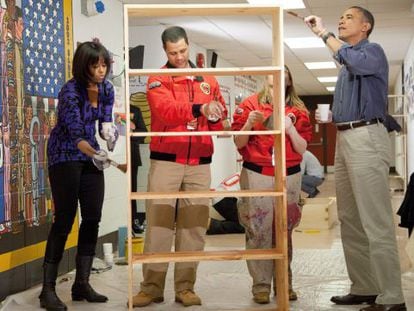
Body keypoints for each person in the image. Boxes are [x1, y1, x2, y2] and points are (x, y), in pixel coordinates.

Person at [304, 6, 406, 311]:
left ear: (366, 26)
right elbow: (346, 64)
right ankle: (365, 286)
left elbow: (349, 57)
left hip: (367, 138)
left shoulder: (371, 52)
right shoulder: (347, 65)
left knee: (376, 220)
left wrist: (324, 33)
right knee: (349, 218)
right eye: (341, 17)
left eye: (349, 17)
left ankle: (393, 297)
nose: (342, 19)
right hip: (346, 138)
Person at [132, 26, 227, 308]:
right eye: (173, 53)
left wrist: (215, 113)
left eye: (183, 51)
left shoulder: (208, 80)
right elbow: (166, 112)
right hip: (165, 162)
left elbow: (219, 118)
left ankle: (185, 288)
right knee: (159, 227)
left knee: (194, 228)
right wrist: (200, 108)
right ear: (165, 51)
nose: (179, 56)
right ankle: (151, 288)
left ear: (188, 46)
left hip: (200, 163)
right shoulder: (157, 79)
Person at [39, 41, 117, 311]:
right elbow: (75, 135)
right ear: (83, 67)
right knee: (64, 219)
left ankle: (81, 283)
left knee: (93, 217)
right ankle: (47, 290)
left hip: (89, 154)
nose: (101, 70)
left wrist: (110, 136)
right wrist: (94, 152)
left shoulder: (106, 88)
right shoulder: (70, 91)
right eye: (95, 66)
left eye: (104, 64)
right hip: (65, 154)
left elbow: (106, 120)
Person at [231, 68, 312, 304]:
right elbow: (239, 141)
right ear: (265, 81)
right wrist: (248, 123)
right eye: (272, 82)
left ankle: (284, 282)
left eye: (281, 82)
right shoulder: (250, 105)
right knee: (258, 230)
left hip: (290, 175)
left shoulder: (298, 110)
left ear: (289, 82)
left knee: (284, 230)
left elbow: (302, 148)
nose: (276, 86)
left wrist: (290, 128)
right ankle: (261, 285)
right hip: (258, 173)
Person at [129, 104, 147, 234]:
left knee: (132, 190)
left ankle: (134, 220)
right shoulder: (107, 107)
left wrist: (133, 131)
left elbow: (144, 133)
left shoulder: (134, 110)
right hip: (114, 156)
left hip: (132, 156)